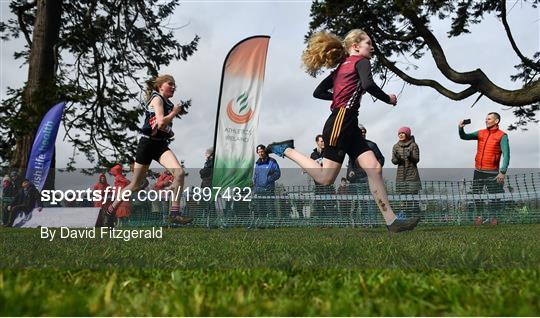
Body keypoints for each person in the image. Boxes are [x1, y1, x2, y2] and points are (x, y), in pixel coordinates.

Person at [266, 29, 420, 232]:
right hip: (340, 122)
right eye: (368, 43)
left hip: (350, 124)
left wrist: (339, 96)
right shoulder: (360, 61)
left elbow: (318, 92)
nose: (372, 47)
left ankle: (391, 221)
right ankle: (286, 150)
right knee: (325, 178)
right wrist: (388, 99)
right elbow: (368, 84)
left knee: (374, 167)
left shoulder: (340, 68)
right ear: (355, 47)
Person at [99, 74, 193, 225]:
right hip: (147, 144)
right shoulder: (157, 99)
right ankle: (110, 210)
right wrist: (174, 113)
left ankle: (175, 213)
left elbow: (159, 125)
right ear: (160, 86)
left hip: (160, 145)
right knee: (135, 185)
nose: (174, 87)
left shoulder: (168, 103)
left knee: (179, 173)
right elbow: (161, 122)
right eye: (170, 84)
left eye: (175, 85)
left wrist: (169, 131)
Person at [459, 112, 510, 224]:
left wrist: (502, 172)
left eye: (489, 119)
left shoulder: (502, 136)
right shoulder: (480, 133)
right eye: (486, 118)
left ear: (496, 121)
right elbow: (464, 136)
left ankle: (493, 218)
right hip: (478, 171)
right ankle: (479, 216)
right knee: (477, 195)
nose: (486, 120)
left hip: (493, 172)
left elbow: (506, 155)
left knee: (495, 197)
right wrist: (461, 128)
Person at [346, 124, 384, 226]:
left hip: (369, 177)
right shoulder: (352, 147)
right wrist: (350, 172)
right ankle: (364, 222)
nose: (362, 133)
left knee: (371, 201)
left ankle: (372, 222)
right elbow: (350, 162)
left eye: (364, 132)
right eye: (360, 132)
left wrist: (377, 169)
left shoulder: (372, 145)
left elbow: (381, 158)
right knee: (361, 202)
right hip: (358, 179)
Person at [391, 126, 421, 218]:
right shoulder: (395, 146)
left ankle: (416, 217)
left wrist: (410, 156)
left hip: (412, 175)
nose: (401, 135)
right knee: (403, 198)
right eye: (399, 133)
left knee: (413, 198)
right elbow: (394, 161)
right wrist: (397, 158)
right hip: (400, 176)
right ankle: (405, 217)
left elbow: (417, 159)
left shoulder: (413, 145)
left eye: (403, 133)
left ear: (407, 134)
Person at [252, 145, 281, 219]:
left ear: (265, 151)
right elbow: (255, 176)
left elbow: (277, 173)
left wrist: (268, 179)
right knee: (260, 209)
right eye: (259, 152)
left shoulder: (272, 161)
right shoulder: (257, 163)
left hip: (269, 189)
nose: (260, 153)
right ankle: (262, 224)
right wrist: (255, 188)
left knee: (270, 207)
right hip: (259, 190)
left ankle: (272, 223)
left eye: (262, 151)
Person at [310, 134, 334, 217]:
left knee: (329, 204)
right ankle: (322, 222)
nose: (323, 143)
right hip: (318, 185)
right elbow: (312, 166)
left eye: (324, 141)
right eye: (321, 141)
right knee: (319, 205)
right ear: (317, 142)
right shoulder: (313, 154)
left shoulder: (329, 152)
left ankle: (331, 222)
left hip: (328, 184)